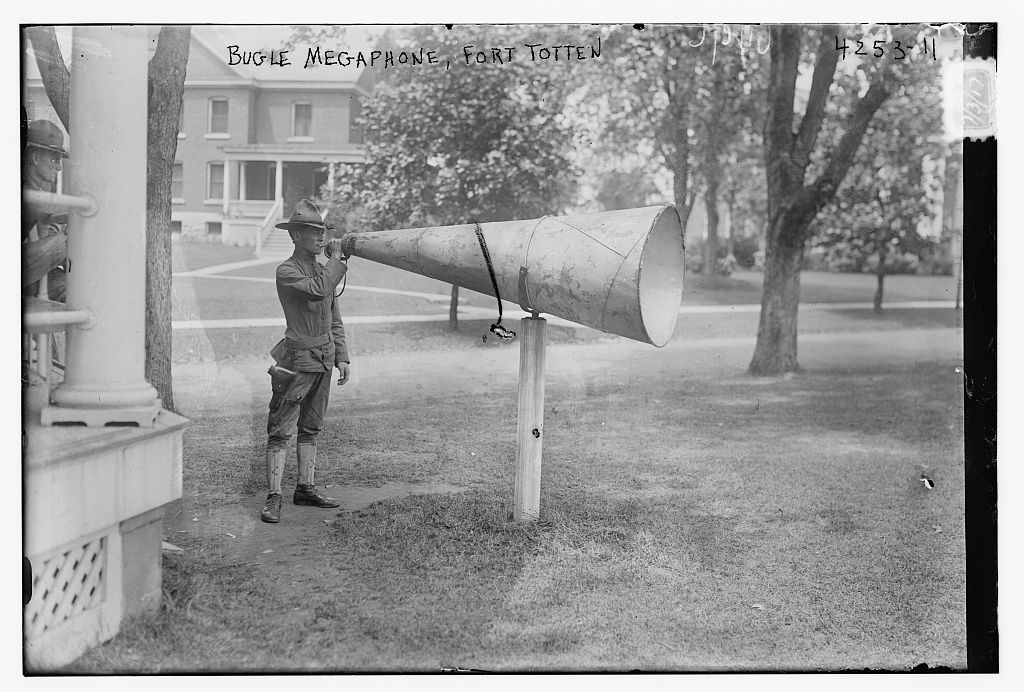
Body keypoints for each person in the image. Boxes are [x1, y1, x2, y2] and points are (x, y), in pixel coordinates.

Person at [261, 199, 352, 524]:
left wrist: (342, 356)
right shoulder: (287, 270)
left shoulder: (321, 270)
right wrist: (336, 260)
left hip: (324, 359)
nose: (320, 237)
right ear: (295, 236)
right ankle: (274, 497)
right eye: (312, 232)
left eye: (322, 231)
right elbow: (317, 291)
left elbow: (333, 318)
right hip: (296, 361)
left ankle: (305, 488)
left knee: (311, 428)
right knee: (281, 430)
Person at [22, 119, 69, 301]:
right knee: (73, 240)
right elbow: (52, 209)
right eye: (54, 159)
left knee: (77, 288)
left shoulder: (38, 188)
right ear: (35, 158)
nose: (58, 167)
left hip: (31, 271)